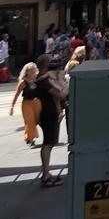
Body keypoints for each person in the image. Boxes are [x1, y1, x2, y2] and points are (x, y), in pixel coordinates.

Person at [34, 54, 65, 188]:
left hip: (51, 112)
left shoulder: (46, 78)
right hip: (48, 113)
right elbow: (60, 94)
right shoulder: (43, 80)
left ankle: (46, 174)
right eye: (52, 61)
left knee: (50, 143)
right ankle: (46, 175)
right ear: (46, 64)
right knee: (48, 143)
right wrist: (65, 83)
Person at [9, 61, 41, 146]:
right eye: (30, 70)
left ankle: (30, 136)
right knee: (29, 121)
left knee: (38, 121)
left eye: (33, 70)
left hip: (37, 102)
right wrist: (12, 107)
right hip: (27, 103)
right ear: (26, 71)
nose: (32, 72)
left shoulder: (38, 79)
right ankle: (30, 138)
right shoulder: (23, 82)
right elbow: (16, 94)